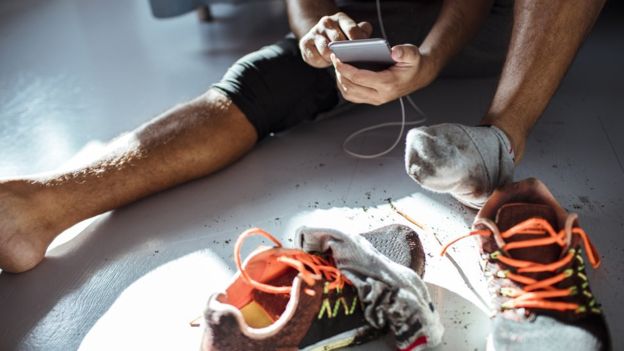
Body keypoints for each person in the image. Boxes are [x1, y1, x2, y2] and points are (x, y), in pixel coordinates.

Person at [0, 0, 605, 273]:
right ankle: (35, 209)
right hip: (380, 35)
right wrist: (319, 37)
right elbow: (304, 8)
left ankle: (497, 142)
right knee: (260, 80)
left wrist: (428, 61)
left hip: (506, 19)